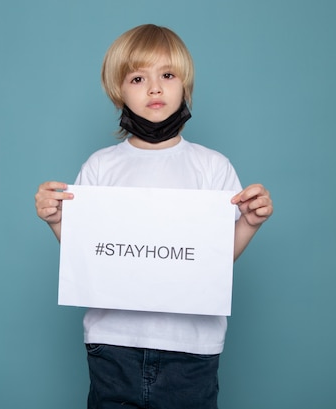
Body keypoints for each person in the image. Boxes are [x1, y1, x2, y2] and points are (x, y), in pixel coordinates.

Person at [34, 24, 273, 409]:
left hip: (192, 349)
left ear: (185, 85)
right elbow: (89, 255)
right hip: (113, 345)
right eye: (138, 77)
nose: (155, 88)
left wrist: (249, 222)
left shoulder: (212, 167)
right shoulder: (100, 167)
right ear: (118, 90)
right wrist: (57, 220)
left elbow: (214, 260)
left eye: (167, 75)